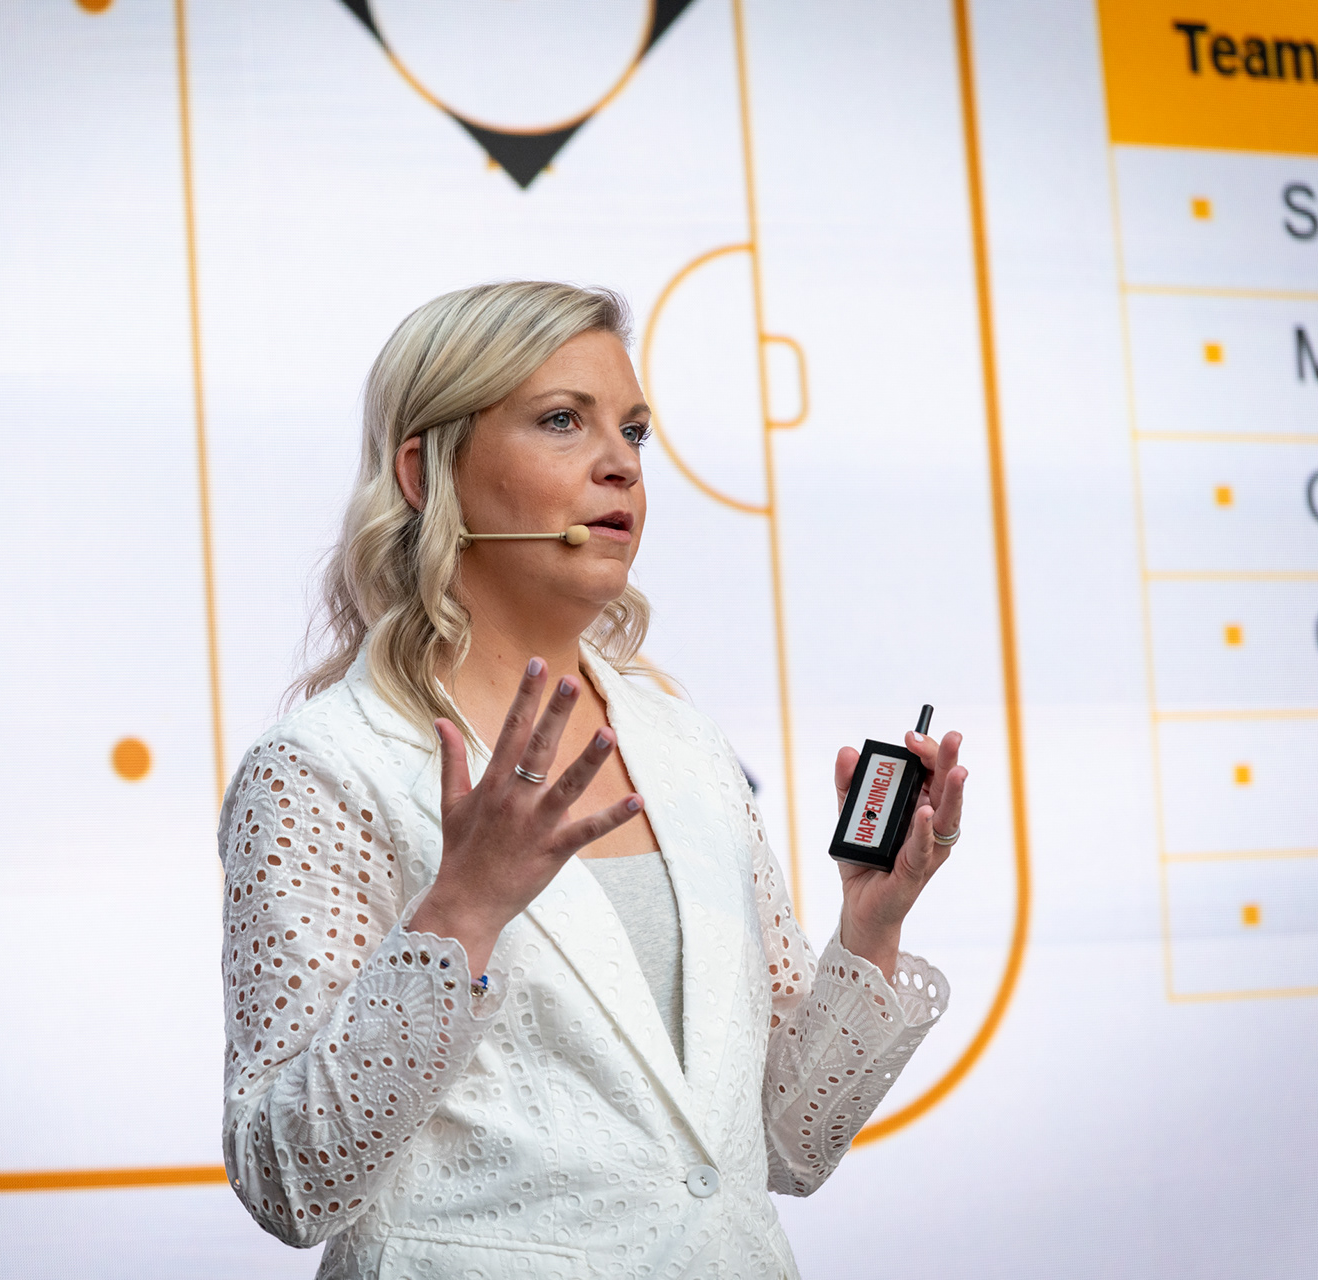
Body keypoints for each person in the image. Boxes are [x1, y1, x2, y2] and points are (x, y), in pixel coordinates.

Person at [218, 281, 965, 1278]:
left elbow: (783, 1143)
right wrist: (462, 911)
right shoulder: (321, 766)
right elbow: (287, 1180)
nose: (623, 463)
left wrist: (869, 928)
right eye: (563, 420)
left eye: (635, 430)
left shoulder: (686, 744)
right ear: (424, 472)